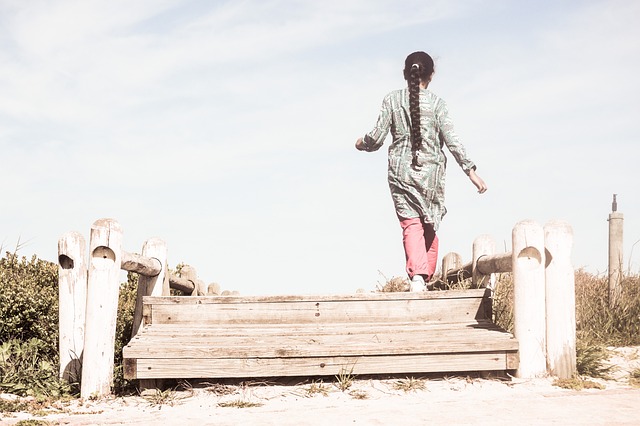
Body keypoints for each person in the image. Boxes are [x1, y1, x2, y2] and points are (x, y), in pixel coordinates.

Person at [355, 51, 487, 292]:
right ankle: (422, 277)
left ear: (405, 73)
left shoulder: (392, 100)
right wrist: (471, 171)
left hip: (401, 172)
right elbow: (452, 140)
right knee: (429, 223)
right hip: (432, 175)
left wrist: (361, 143)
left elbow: (376, 138)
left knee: (411, 224)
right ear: (431, 75)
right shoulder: (438, 104)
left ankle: (418, 277)